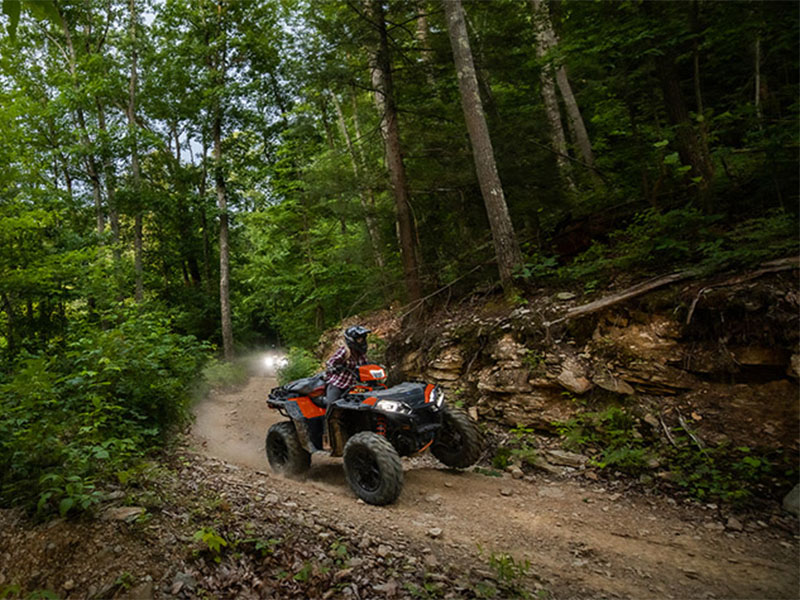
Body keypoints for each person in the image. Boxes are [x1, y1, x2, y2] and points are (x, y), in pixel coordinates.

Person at [324, 325, 370, 406]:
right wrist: (335, 368)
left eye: (363, 339)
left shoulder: (361, 354)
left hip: (354, 386)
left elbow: (366, 367)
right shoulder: (344, 351)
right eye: (359, 339)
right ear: (352, 340)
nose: (362, 341)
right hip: (339, 383)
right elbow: (330, 363)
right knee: (332, 403)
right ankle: (329, 418)